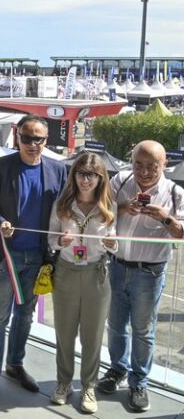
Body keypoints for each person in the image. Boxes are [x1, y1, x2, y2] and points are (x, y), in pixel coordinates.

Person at [0, 114, 67, 405]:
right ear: (17, 137)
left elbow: (65, 210)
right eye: (26, 138)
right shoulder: (1, 167)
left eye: (38, 139)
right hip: (5, 255)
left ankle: (14, 365)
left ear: (46, 140)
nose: (32, 144)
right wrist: (0, 221)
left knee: (25, 315)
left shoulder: (58, 170)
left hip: (38, 257)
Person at [97, 140, 184, 412]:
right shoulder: (121, 180)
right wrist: (124, 208)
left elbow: (180, 233)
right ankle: (117, 370)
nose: (144, 171)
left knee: (143, 331)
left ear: (164, 164)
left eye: (151, 166)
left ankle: (139, 381)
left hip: (150, 272)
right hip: (118, 265)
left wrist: (164, 218)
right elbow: (103, 212)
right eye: (139, 164)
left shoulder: (174, 193)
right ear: (131, 162)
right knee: (116, 325)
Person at [47, 152, 117, 413]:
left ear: (101, 178)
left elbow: (115, 243)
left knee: (93, 336)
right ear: (73, 175)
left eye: (92, 175)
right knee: (64, 333)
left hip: (96, 274)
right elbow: (50, 238)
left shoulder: (109, 206)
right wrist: (59, 242)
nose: (86, 180)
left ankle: (88, 386)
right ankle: (64, 383)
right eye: (81, 173)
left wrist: (113, 244)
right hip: (66, 271)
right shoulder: (62, 204)